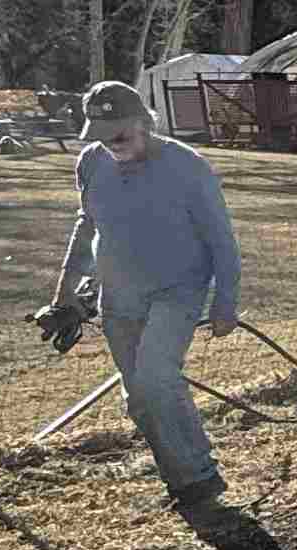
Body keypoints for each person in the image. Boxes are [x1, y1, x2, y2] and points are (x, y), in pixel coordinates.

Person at [41, 79, 243, 511]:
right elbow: (87, 224)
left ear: (144, 121)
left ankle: (199, 474)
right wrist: (65, 291)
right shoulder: (91, 163)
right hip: (119, 295)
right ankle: (184, 484)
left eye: (120, 134)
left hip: (178, 289)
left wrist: (226, 301)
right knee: (139, 399)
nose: (111, 145)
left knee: (156, 377)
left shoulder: (187, 166)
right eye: (100, 135)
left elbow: (221, 239)